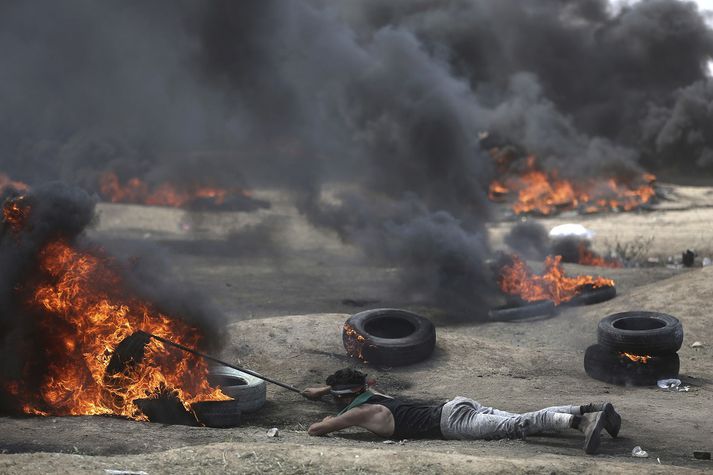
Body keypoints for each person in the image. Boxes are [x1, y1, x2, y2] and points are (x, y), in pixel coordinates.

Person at [302, 368, 621, 455]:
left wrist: (330, 420)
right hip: (457, 406)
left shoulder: (358, 413)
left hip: (453, 422)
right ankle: (593, 409)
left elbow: (316, 431)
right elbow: (355, 386)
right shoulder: (372, 393)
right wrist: (324, 390)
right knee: (521, 419)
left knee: (518, 425)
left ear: (346, 399)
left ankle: (581, 422)